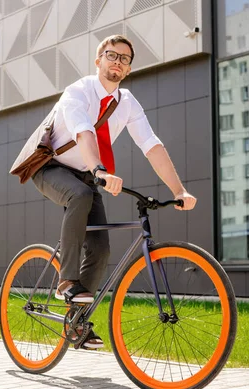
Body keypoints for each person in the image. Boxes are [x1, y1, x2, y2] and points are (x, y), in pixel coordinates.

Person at [31, 35, 197, 349]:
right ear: (98, 61)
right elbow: (84, 132)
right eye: (111, 55)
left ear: (129, 69)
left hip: (87, 174)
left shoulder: (128, 103)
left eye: (124, 58)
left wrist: (180, 190)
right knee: (79, 196)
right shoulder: (78, 92)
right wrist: (99, 170)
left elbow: (152, 145)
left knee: (101, 249)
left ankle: (76, 323)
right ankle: (66, 280)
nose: (117, 61)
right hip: (50, 167)